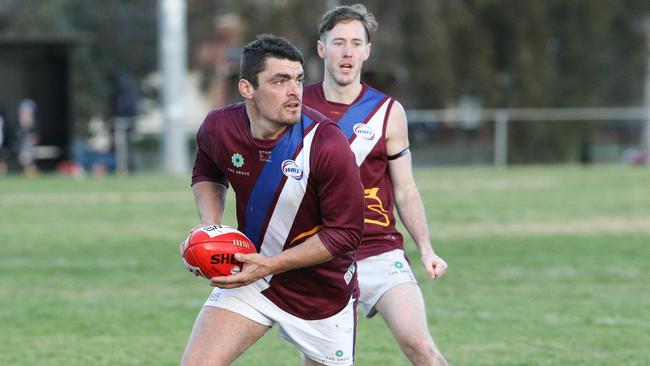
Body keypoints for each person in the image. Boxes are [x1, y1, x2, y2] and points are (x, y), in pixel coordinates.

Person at [182, 34, 365, 366]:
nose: (294, 91)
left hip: (321, 294)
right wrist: (210, 231)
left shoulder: (326, 143)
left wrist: (269, 264)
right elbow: (207, 171)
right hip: (253, 277)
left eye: (298, 79)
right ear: (247, 88)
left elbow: (346, 233)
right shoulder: (219, 127)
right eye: (280, 81)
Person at [303, 4, 449, 365]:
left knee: (420, 346)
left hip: (380, 250)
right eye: (338, 42)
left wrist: (426, 248)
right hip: (321, 256)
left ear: (367, 51)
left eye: (356, 43)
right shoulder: (298, 109)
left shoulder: (388, 112)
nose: (347, 51)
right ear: (322, 49)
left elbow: (405, 189)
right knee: (321, 362)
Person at [16, 98, 39, 176]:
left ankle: (31, 172)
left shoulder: (34, 125)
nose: (23, 114)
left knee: (27, 155)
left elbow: (35, 139)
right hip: (21, 147)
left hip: (29, 148)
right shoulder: (18, 125)